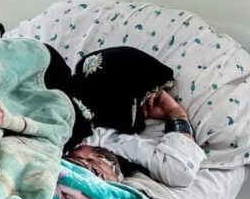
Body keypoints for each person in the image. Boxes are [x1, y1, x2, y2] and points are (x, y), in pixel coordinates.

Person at [66, 46, 206, 187]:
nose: (147, 107)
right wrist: (176, 113)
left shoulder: (111, 139)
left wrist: (176, 114)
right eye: (143, 95)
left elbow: (179, 170)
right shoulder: (75, 117)